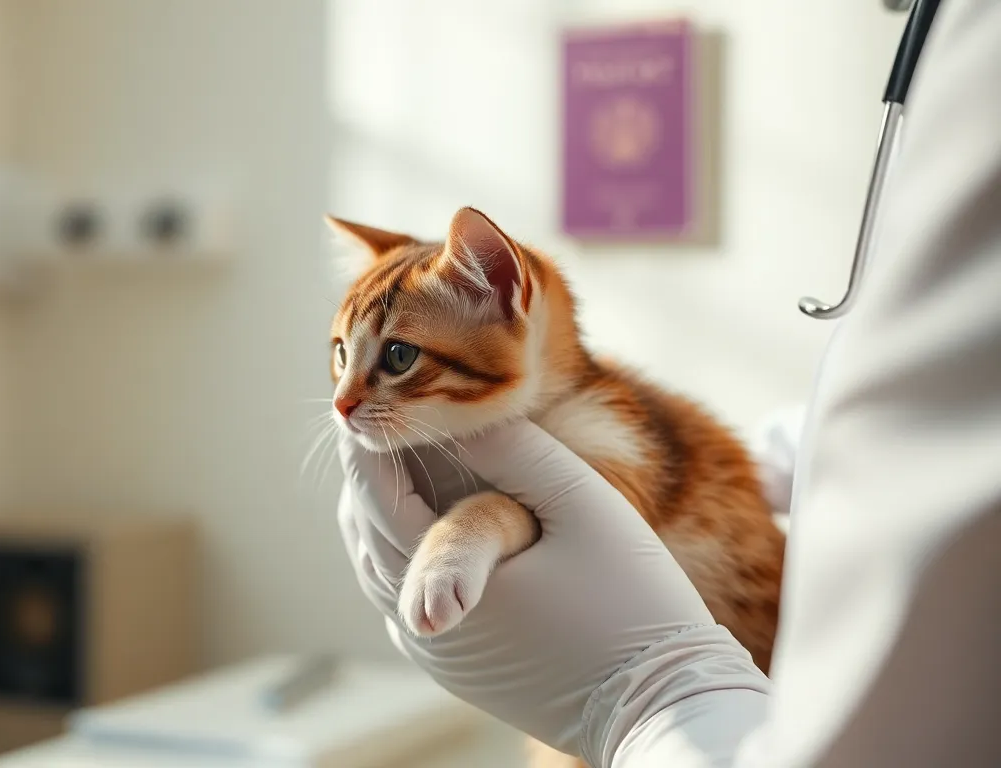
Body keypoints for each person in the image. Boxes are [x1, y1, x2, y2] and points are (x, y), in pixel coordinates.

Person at [334, 2, 1001, 765]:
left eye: (393, 359)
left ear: (503, 296)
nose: (344, 398)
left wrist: (649, 691)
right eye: (340, 358)